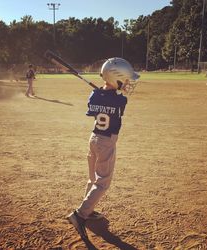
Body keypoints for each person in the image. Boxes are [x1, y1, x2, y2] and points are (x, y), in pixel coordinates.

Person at [67, 57, 140, 240]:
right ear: (116, 78)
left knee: (93, 177)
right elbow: (117, 104)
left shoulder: (94, 95)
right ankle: (80, 214)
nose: (128, 83)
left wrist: (101, 93)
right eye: (125, 79)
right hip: (107, 142)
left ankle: (89, 211)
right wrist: (108, 95)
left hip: (93, 139)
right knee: (103, 182)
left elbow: (92, 109)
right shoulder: (120, 100)